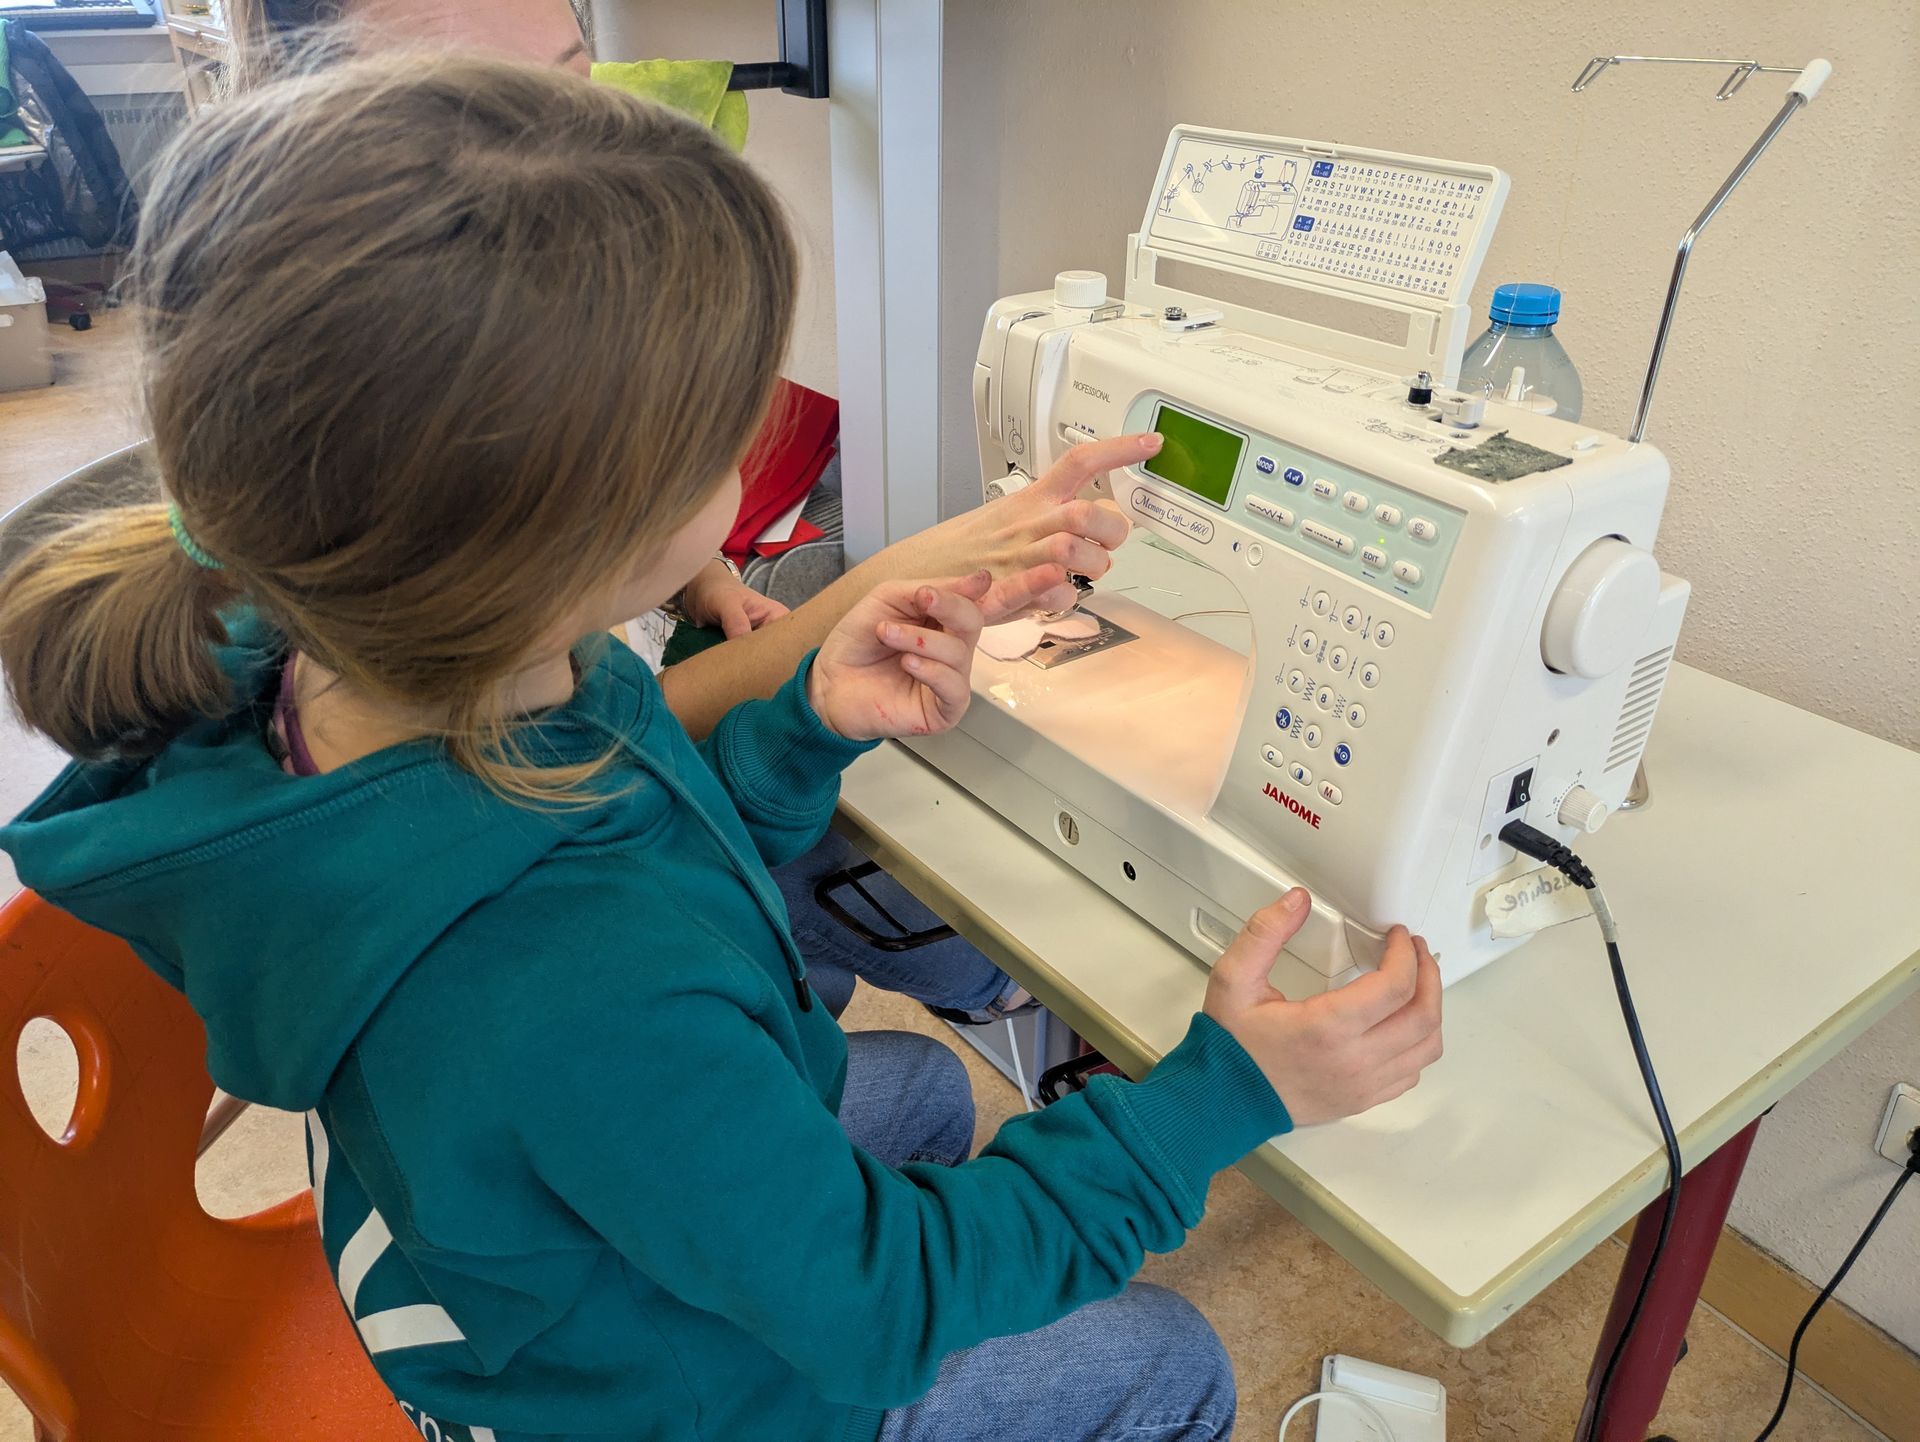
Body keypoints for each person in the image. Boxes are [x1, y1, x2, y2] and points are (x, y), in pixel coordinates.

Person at [0, 59, 1442, 1442]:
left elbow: (633, 846)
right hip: (660, 1403)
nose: (755, 447)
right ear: (587, 537)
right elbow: (883, 1303)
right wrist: (1225, 1098)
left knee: (928, 1090)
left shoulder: (372, 669)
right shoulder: (571, 983)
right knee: (1164, 1362)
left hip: (510, 1244)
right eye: (729, 435)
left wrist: (794, 731)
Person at [233, 0, 1107, 1026]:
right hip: (679, 1060)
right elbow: (641, 774)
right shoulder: (570, 916)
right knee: (925, 1094)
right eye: (718, 438)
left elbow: (649, 774)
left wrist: (789, 697)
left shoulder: (486, 636)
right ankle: (983, 990)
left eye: (575, 87)